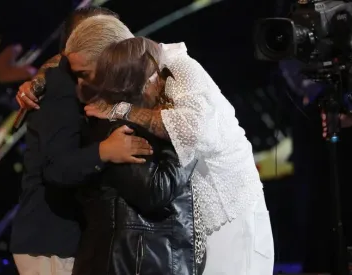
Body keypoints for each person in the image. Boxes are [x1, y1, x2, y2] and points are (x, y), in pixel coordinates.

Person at [17, 15, 274, 274]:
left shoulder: (178, 69)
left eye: (84, 74)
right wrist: (37, 81)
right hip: (199, 224)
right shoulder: (137, 67)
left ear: (112, 58)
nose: (81, 84)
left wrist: (119, 109)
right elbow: (73, 57)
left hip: (230, 216)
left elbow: (192, 133)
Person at [9, 7, 152, 275]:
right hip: (52, 244)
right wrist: (105, 151)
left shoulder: (90, 81)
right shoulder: (60, 90)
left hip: (73, 241)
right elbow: (57, 168)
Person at [72, 36, 203, 275]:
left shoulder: (131, 120)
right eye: (158, 74)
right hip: (134, 262)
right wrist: (183, 139)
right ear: (143, 79)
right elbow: (156, 189)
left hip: (141, 260)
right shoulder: (118, 127)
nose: (165, 82)